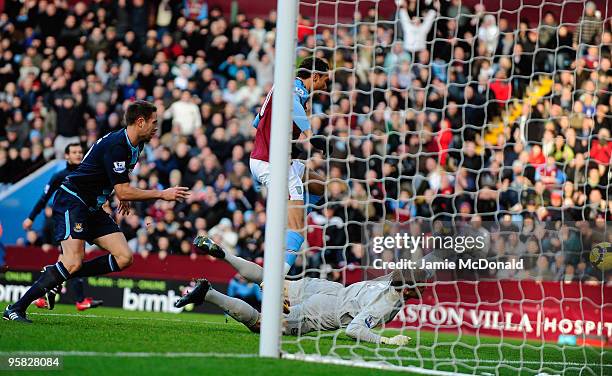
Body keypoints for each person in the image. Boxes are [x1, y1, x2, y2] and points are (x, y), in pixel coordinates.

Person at [4, 100, 190, 323]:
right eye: (153, 122)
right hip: (73, 201)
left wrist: (124, 194)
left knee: (124, 257)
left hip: (92, 206)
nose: (156, 127)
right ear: (140, 122)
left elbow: (118, 183)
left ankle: (56, 274)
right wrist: (161, 194)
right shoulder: (117, 145)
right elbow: (123, 190)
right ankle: (15, 308)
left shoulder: (137, 145)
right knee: (73, 261)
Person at [175, 236, 424, 345]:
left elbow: (417, 266)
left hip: (329, 288)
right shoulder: (388, 304)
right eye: (420, 285)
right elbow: (353, 329)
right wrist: (386, 339)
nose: (424, 288)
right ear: (410, 289)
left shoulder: (389, 279)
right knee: (264, 325)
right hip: (326, 311)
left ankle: (224, 253)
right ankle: (208, 293)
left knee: (270, 278)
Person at [250, 57, 330, 274]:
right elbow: (293, 105)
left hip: (273, 160)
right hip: (272, 164)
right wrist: (311, 136)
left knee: (318, 185)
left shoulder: (280, 87)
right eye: (325, 80)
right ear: (314, 76)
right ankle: (276, 282)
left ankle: (294, 216)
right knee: (298, 230)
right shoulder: (296, 89)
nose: (326, 85)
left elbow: (256, 122)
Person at [22, 143, 103, 311]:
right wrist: (31, 217)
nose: (78, 154)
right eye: (74, 152)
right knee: (72, 260)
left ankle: (46, 295)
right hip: (66, 220)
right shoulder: (60, 176)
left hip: (84, 220)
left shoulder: (87, 172)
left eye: (80, 152)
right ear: (66, 155)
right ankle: (78, 300)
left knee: (70, 260)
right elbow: (44, 198)